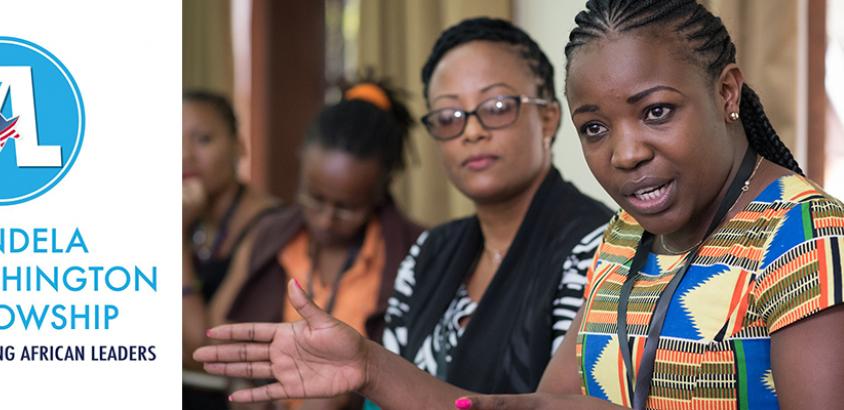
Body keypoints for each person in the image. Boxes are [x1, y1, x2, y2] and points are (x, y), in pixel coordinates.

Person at [195, 2, 844, 409]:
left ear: (727, 91)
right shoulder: (625, 237)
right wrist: (368, 368)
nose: (625, 153)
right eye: (596, 128)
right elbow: (535, 407)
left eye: (656, 112)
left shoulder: (804, 234)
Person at [194, 16, 614, 406]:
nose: (471, 130)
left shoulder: (601, 250)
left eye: (497, 107)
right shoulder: (430, 251)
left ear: (547, 118)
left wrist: (370, 366)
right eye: (449, 116)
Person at [213, 80, 424, 409]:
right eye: (314, 198)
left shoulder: (413, 254)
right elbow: (219, 331)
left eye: (346, 208)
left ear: (382, 188)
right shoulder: (271, 236)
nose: (325, 219)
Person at [182, 90, 279, 410]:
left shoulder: (269, 225)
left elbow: (204, 349)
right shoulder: (188, 214)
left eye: (203, 140)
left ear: (239, 146)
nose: (185, 156)